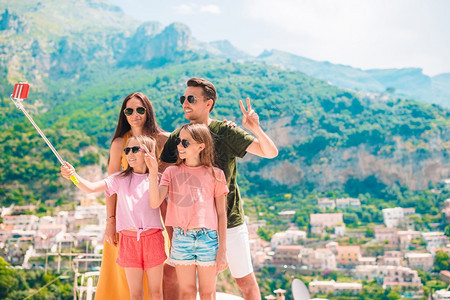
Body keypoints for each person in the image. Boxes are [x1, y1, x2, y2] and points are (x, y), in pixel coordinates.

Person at [160, 78, 278, 299]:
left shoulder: (225, 131)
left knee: (245, 282)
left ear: (208, 104)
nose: (185, 103)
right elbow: (163, 180)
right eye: (182, 98)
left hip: (229, 222)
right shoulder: (178, 137)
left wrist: (255, 128)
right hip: (190, 228)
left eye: (191, 98)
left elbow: (270, 152)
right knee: (171, 278)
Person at [61, 135, 166, 300]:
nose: (129, 154)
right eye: (127, 150)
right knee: (136, 294)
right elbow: (90, 188)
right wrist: (73, 175)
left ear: (149, 153)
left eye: (135, 149)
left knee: (156, 292)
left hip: (153, 239)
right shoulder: (120, 179)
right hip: (129, 241)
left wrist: (153, 172)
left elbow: (155, 203)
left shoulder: (159, 179)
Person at [95, 92, 177, 300]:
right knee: (126, 283)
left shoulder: (164, 140)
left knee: (165, 278)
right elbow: (111, 185)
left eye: (140, 109)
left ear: (148, 112)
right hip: (127, 224)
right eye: (129, 110)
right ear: (124, 114)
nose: (135, 114)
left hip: (158, 221)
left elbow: (189, 160)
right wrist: (110, 221)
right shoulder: (118, 144)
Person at [147, 123, 228, 300]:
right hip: (181, 238)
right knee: (187, 293)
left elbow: (222, 215)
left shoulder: (217, 175)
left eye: (185, 142)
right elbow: (155, 202)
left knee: (208, 294)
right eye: (178, 141)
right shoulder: (171, 172)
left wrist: (222, 251)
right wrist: (153, 172)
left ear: (201, 146)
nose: (179, 146)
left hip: (209, 239)